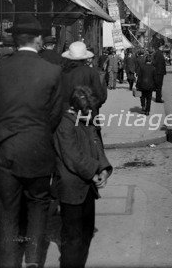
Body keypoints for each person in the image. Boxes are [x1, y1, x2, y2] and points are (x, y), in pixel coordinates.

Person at [0, 14, 63, 268]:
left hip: (4, 151)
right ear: (38, 40)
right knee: (37, 206)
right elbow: (54, 117)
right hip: (38, 150)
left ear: (14, 40)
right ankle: (34, 260)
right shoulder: (53, 71)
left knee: (6, 214)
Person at [53, 85, 112, 268]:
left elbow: (96, 144)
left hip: (86, 188)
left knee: (86, 232)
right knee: (73, 238)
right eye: (86, 110)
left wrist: (103, 168)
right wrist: (94, 172)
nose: (90, 113)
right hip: (71, 188)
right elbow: (73, 157)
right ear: (74, 107)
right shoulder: (65, 124)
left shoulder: (85, 120)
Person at [60, 42, 107, 118]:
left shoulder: (62, 72)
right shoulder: (92, 72)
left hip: (66, 115)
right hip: (87, 113)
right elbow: (100, 96)